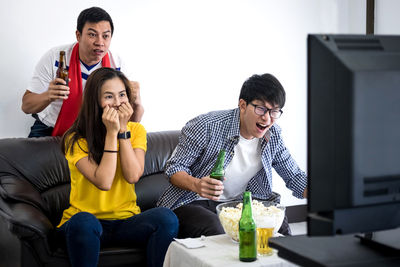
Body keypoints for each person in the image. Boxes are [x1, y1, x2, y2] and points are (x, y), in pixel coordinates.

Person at [157, 73, 307, 238]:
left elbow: (294, 177)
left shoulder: (273, 136)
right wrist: (197, 184)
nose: (267, 118)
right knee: (217, 229)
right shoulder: (206, 126)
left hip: (239, 206)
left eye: (274, 111)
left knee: (279, 226)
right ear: (243, 105)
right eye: (261, 109)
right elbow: (173, 167)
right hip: (193, 202)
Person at [57, 67, 178, 267]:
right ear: (95, 101)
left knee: (166, 218)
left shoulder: (136, 130)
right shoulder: (75, 139)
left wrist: (122, 130)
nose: (117, 102)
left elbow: (133, 175)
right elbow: (104, 181)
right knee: (84, 222)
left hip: (126, 222)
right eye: (108, 96)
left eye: (122, 95)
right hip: (86, 223)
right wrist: (111, 134)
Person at [21, 6, 144, 137]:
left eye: (106, 36)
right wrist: (48, 96)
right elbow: (26, 107)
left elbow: (132, 122)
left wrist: (136, 103)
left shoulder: (117, 65)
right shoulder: (55, 58)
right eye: (92, 34)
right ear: (78, 35)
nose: (100, 42)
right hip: (49, 128)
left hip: (95, 131)